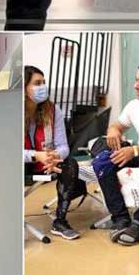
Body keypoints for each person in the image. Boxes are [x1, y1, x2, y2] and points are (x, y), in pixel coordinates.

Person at [91, 63, 139, 245]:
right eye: (136, 80)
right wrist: (113, 131)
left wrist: (134, 150)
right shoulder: (133, 106)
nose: (136, 85)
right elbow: (118, 125)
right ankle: (120, 218)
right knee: (102, 162)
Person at [24, 65, 84, 240]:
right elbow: (8, 153)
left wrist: (54, 157)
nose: (43, 87)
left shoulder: (53, 110)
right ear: (25, 88)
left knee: (70, 164)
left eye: (44, 82)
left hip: (47, 164)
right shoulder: (13, 113)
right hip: (19, 166)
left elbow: (63, 146)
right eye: (37, 83)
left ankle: (60, 220)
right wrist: (35, 155)